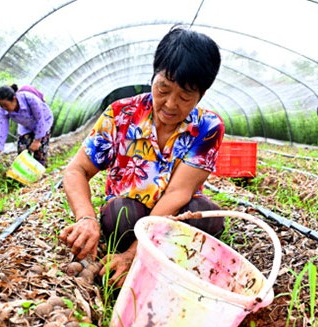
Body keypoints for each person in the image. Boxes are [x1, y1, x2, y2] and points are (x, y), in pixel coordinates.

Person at [58, 26, 225, 287]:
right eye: (163, 89)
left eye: (184, 97)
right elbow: (76, 170)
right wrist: (86, 217)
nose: (170, 104)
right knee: (122, 214)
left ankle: (162, 261)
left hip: (173, 215)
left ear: (200, 96)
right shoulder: (121, 115)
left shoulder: (208, 127)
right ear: (153, 77)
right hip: (129, 212)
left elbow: (177, 194)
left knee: (205, 215)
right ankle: (153, 252)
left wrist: (133, 254)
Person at [0, 84, 54, 167]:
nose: (3, 108)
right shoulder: (3, 109)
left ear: (14, 99)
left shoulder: (30, 99)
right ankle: (23, 175)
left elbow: (40, 120)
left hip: (43, 122)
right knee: (22, 150)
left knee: (40, 152)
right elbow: (2, 129)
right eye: (1, 105)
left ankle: (38, 173)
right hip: (26, 126)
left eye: (5, 105)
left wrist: (37, 141)